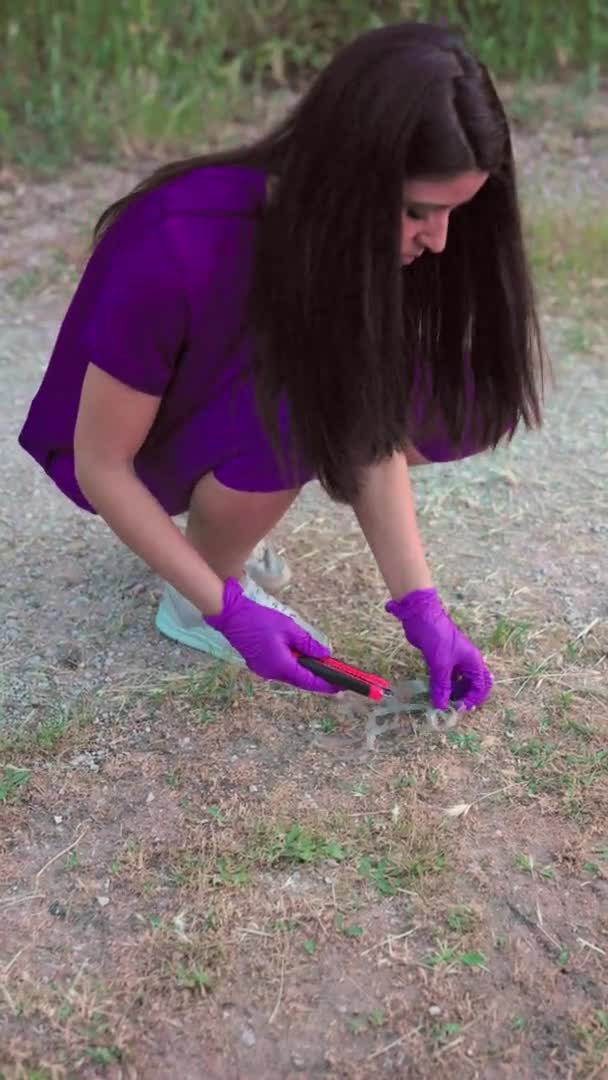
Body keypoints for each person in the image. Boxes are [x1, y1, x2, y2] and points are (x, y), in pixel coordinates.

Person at [18, 21, 545, 709]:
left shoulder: (355, 244)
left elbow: (368, 420)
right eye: (419, 211)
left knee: (438, 396)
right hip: (122, 447)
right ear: (351, 178)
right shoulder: (175, 243)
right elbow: (102, 463)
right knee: (291, 417)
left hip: (221, 394)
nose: (439, 241)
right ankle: (196, 584)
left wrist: (423, 607)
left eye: (453, 214)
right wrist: (226, 608)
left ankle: (222, 529)